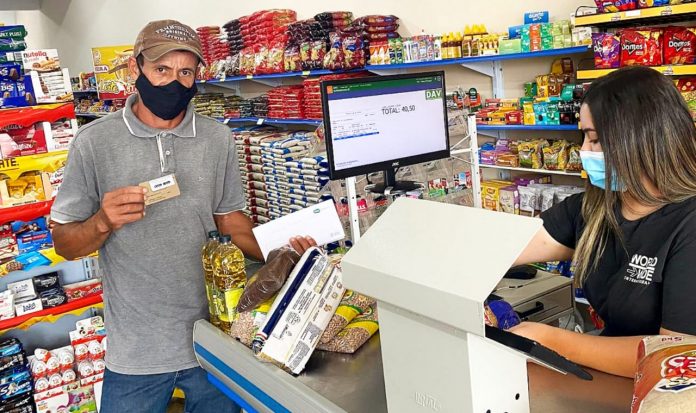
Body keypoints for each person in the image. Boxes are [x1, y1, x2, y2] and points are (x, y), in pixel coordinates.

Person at [50, 20, 315, 412]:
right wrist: (102, 221)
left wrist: (283, 251)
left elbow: (231, 221)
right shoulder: (94, 143)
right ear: (135, 69)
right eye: (161, 70)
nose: (173, 82)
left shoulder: (216, 138)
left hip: (216, 335)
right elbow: (65, 243)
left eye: (185, 72)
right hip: (137, 350)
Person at [509, 66, 696, 378]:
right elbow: (506, 245)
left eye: (594, 139)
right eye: (583, 137)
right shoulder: (595, 207)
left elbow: (676, 355)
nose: (583, 151)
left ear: (642, 139)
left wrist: (553, 341)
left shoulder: (688, 224)